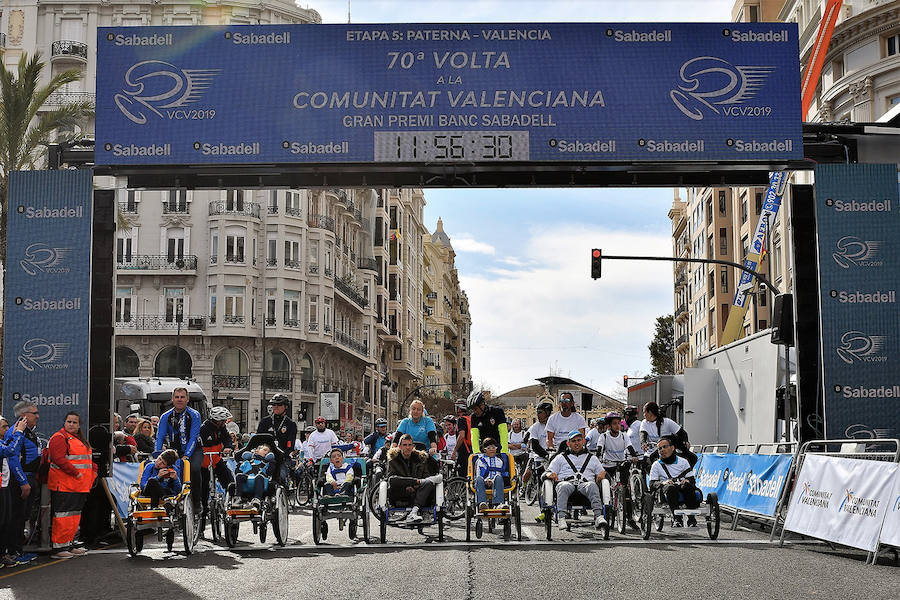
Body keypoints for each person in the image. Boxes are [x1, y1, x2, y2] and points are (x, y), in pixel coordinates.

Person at [48, 412, 96, 559]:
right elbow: (58, 459)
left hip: (79, 485)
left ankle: (69, 543)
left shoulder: (78, 439)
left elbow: (87, 461)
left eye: (75, 422)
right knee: (63, 516)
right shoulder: (59, 438)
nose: (71, 424)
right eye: (69, 421)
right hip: (64, 485)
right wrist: (76, 473)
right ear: (64, 423)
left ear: (79, 425)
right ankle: (59, 547)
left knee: (74, 516)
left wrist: (93, 472)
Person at [3, 400, 42, 566]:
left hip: (31, 477)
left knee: (23, 516)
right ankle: (14, 552)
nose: (38, 416)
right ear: (24, 415)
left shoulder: (29, 431)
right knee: (16, 517)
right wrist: (23, 482)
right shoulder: (16, 432)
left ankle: (17, 549)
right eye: (35, 413)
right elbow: (13, 458)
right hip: (20, 480)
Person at [546, 430, 607, 530]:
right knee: (563, 486)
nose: (577, 443)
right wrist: (549, 474)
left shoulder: (592, 458)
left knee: (592, 485)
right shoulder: (560, 458)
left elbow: (603, 472)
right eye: (573, 441)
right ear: (568, 443)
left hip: (585, 485)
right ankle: (561, 517)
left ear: (583, 441)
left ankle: (598, 516)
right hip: (567, 483)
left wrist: (602, 473)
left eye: (579, 440)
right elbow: (547, 472)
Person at [155, 387, 202, 509]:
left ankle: (197, 502)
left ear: (187, 399)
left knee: (194, 469)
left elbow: (193, 436)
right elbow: (160, 436)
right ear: (172, 399)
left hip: (194, 449)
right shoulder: (166, 416)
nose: (179, 400)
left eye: (182, 397)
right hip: (174, 450)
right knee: (169, 471)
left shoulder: (195, 415)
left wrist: (187, 455)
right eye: (177, 397)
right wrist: (157, 454)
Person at [385, 434, 442, 525]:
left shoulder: (421, 458)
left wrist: (415, 486)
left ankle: (413, 512)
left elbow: (426, 475)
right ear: (400, 447)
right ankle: (414, 510)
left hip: (418, 491)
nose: (407, 447)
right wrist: (409, 485)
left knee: (429, 482)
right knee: (392, 480)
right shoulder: (393, 459)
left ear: (413, 446)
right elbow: (391, 479)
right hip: (400, 493)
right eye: (405, 445)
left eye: (409, 445)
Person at [649, 435, 699, 527]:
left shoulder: (683, 462)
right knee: (671, 488)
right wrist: (663, 483)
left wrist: (687, 481)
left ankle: (691, 519)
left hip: (682, 486)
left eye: (665, 447)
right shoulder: (656, 465)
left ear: (672, 448)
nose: (662, 450)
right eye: (660, 448)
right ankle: (677, 519)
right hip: (666, 489)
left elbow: (691, 479)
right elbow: (652, 484)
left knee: (688, 486)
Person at [0, 417, 28, 568]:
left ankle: (3, 554)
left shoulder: (2, 441)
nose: (6, 429)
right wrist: (19, 433)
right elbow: (10, 451)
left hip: (4, 487)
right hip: (1, 489)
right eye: (4, 427)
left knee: (5, 522)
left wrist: (14, 433)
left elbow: (7, 444)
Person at [596, 411, 638, 511]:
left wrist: (634, 456)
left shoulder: (624, 435)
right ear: (609, 425)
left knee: (625, 489)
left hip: (621, 463)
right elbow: (599, 449)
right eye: (614, 424)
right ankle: (603, 507)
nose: (617, 426)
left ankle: (629, 516)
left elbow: (630, 447)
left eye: (619, 423)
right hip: (608, 465)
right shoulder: (604, 436)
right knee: (604, 485)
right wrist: (598, 457)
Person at [199, 406, 236, 517]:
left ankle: (233, 500)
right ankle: (203, 513)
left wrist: (228, 447)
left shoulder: (222, 428)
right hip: (204, 462)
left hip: (216, 459)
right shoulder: (203, 429)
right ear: (216, 420)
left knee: (229, 479)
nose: (225, 422)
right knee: (204, 489)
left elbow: (227, 439)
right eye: (223, 420)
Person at [640, 402, 697, 467]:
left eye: (644, 412)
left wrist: (686, 441)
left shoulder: (667, 422)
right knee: (645, 465)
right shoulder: (644, 422)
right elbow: (643, 434)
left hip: (666, 452)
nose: (643, 415)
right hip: (651, 451)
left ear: (650, 413)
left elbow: (682, 433)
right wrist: (643, 443)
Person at [257, 394, 297, 482]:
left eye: (279, 405)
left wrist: (284, 454)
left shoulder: (291, 424)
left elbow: (290, 444)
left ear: (285, 407)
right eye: (274, 404)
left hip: (282, 458)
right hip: (265, 456)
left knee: (281, 477)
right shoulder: (265, 421)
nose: (275, 407)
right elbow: (257, 439)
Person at [473, 438, 509, 512]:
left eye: (493, 447)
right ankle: (482, 504)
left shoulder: (499, 461)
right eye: (489, 448)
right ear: (484, 450)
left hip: (496, 483)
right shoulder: (480, 460)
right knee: (479, 478)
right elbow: (478, 473)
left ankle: (498, 504)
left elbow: (500, 473)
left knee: (498, 477)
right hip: (483, 482)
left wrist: (492, 481)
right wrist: (486, 480)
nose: (492, 449)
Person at [523, 401, 552, 490]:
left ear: (547, 413)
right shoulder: (535, 427)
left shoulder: (554, 424)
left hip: (553, 456)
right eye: (537, 412)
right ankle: (524, 487)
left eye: (540, 412)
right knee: (540, 480)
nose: (537, 415)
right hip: (539, 457)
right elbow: (535, 446)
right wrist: (546, 455)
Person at [236, 444, 275, 509]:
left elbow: (270, 472)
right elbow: (239, 470)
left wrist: (271, 461)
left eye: (268, 452)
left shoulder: (267, 463)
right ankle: (238, 497)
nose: (266, 452)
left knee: (259, 477)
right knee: (239, 476)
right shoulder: (246, 462)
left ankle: (257, 499)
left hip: (261, 480)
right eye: (264, 450)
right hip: (247, 479)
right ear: (256, 451)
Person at [451, 399, 471, 477]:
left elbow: (462, 436)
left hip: (464, 451)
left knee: (461, 475)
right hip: (472, 449)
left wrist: (455, 450)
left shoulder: (461, 420)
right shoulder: (470, 418)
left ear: (459, 408)